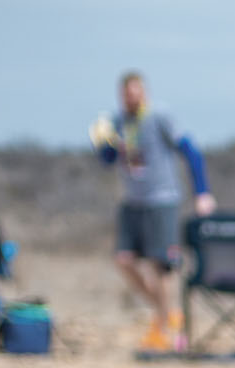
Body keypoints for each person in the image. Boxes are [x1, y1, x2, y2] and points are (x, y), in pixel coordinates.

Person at [91, 71, 215, 353]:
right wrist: (103, 142)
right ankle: (166, 314)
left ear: (144, 92)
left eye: (136, 92)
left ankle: (163, 325)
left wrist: (202, 192)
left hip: (162, 199)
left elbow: (190, 150)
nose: (131, 97)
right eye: (126, 93)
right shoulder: (118, 122)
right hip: (132, 201)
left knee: (161, 265)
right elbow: (109, 160)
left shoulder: (159, 116)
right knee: (124, 260)